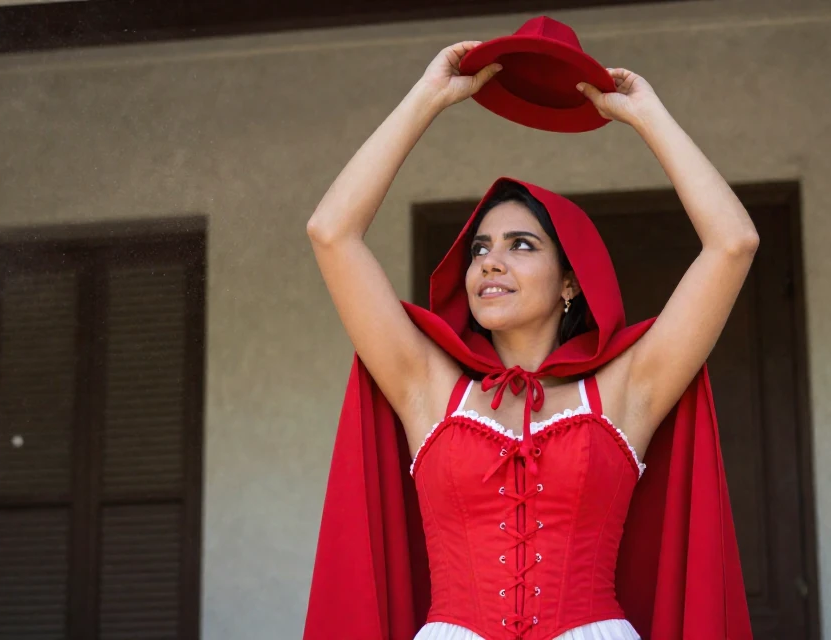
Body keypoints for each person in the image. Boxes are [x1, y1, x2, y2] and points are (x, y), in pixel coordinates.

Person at [305, 40, 758, 640]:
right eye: (480, 249)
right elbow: (331, 231)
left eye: (521, 245)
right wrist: (428, 98)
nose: (490, 262)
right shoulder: (426, 387)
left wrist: (646, 116)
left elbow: (733, 243)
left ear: (570, 280)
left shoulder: (626, 392)